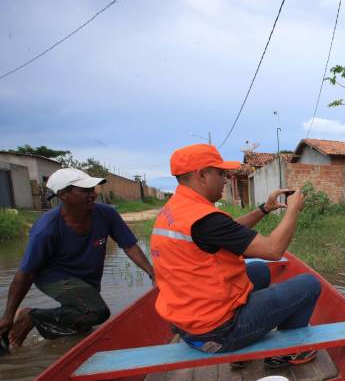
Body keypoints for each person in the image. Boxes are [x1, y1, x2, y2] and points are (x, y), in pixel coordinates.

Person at [150, 143, 320, 366]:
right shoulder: (204, 219)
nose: (226, 178)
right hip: (218, 333)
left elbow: (228, 230)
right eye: (221, 173)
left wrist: (264, 209)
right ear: (201, 175)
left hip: (188, 325)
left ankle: (243, 352)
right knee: (309, 284)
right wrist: (293, 210)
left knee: (258, 271)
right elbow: (273, 249)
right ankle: (285, 353)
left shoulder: (179, 209)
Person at [0, 168, 155, 350]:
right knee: (95, 311)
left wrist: (152, 273)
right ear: (63, 195)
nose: (92, 195)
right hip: (54, 277)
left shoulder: (106, 214)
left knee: (82, 322)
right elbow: (25, 274)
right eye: (85, 191)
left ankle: (60, 344)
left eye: (93, 190)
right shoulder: (46, 228)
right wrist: (7, 316)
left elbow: (129, 246)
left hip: (86, 278)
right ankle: (32, 316)